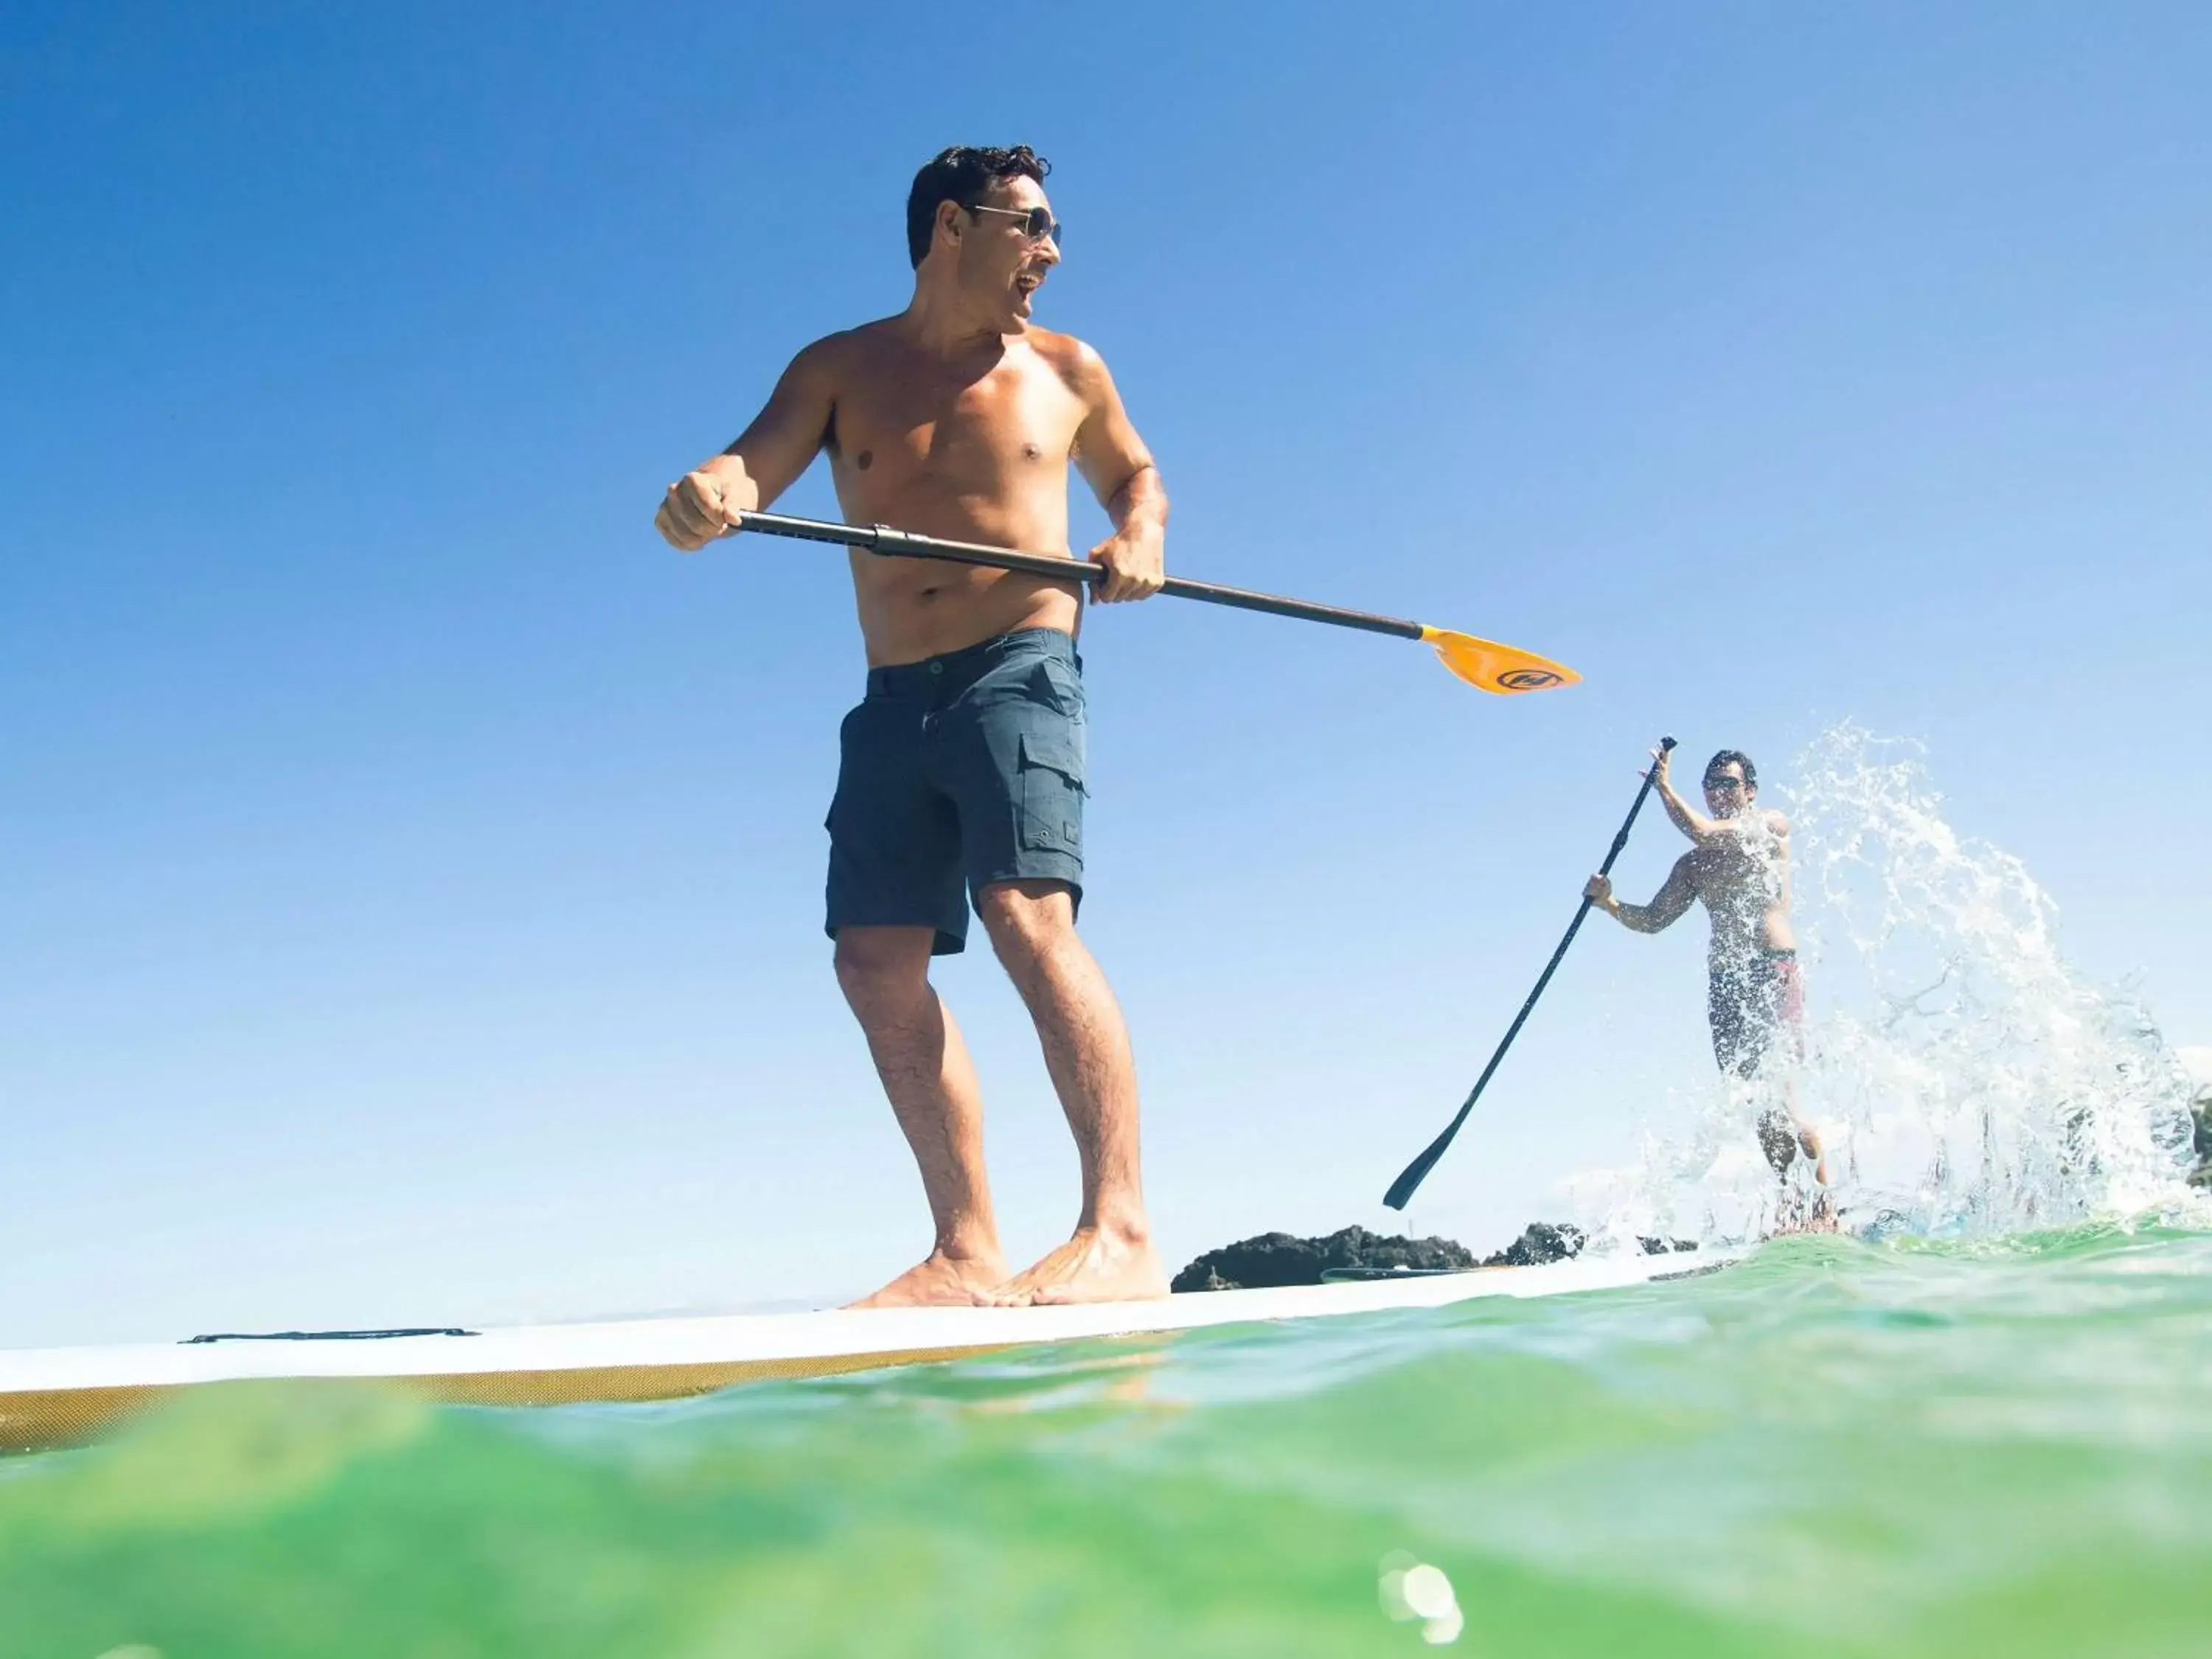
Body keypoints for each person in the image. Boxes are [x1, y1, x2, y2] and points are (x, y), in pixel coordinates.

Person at [652, 145, 1171, 1307]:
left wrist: (1138, 536)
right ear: (953, 224)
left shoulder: (1068, 369)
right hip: (895, 696)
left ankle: (1123, 1231)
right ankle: (967, 1249)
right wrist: (711, 493)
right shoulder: (839, 367)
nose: (1051, 251)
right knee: (872, 959)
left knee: (1025, 914)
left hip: (1019, 669)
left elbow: (1137, 478)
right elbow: (754, 462)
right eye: (1031, 225)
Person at [1583, 747, 1833, 1218]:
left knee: (1782, 1092)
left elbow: (1701, 828)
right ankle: (1792, 1211)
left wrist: (1662, 787)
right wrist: (1609, 904)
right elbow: (1655, 919)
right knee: (1757, 1105)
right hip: (1726, 985)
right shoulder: (1693, 867)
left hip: (1771, 971)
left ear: (1750, 791)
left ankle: (1825, 1210)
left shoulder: (1769, 827)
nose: (1719, 793)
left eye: (1729, 784)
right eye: (1711, 786)